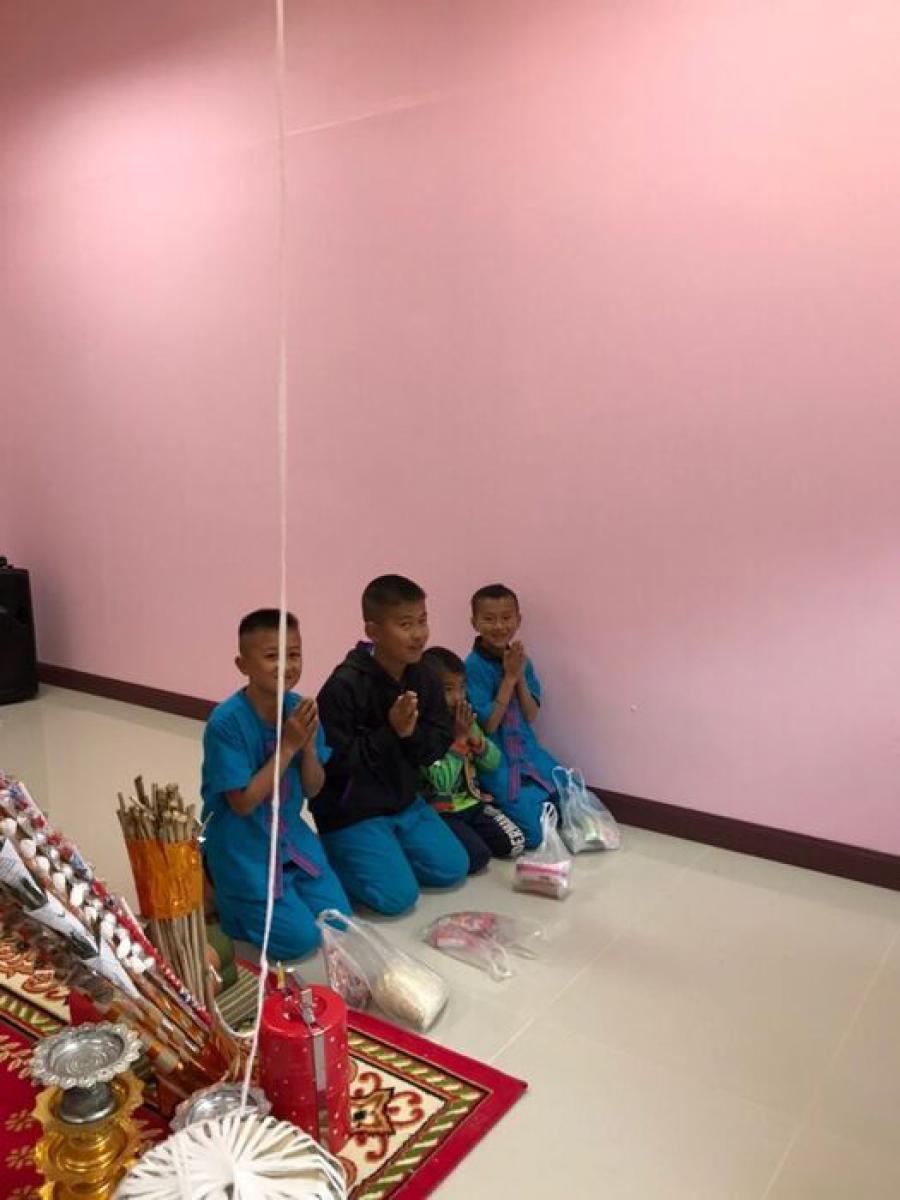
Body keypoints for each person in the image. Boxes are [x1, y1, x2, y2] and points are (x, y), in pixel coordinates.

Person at [200, 609, 350, 961]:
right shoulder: (226, 723)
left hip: (289, 838)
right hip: (243, 846)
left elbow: (313, 789)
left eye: (294, 654)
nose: (286, 666)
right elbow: (242, 803)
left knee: (339, 923)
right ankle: (221, 890)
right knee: (299, 941)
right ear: (243, 665)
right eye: (272, 656)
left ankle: (285, 890)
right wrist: (289, 746)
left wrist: (308, 748)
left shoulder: (300, 710)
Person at [313, 576, 469, 914]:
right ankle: (333, 852)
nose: (418, 634)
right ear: (373, 631)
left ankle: (384, 851)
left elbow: (436, 745)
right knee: (397, 899)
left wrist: (409, 734)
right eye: (405, 624)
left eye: (422, 621)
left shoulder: (424, 675)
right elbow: (334, 766)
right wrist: (391, 731)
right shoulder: (344, 686)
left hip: (403, 802)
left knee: (453, 868)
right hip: (352, 811)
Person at [464, 584, 561, 848]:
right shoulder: (472, 667)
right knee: (535, 836)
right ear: (474, 623)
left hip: (528, 752)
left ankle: (530, 804)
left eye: (506, 618)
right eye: (489, 619)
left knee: (569, 797)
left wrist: (518, 676)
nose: (499, 626)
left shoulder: (521, 661)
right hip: (496, 761)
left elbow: (530, 714)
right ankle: (489, 809)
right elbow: (489, 724)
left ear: (518, 620)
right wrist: (508, 679)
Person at [420, 647, 524, 872]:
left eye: (462, 687)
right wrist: (459, 740)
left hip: (472, 802)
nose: (458, 696)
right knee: (478, 857)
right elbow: (441, 783)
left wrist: (477, 743)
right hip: (443, 810)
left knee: (515, 843)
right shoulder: (424, 729)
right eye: (448, 689)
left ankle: (469, 837)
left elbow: (493, 762)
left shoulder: (464, 718)